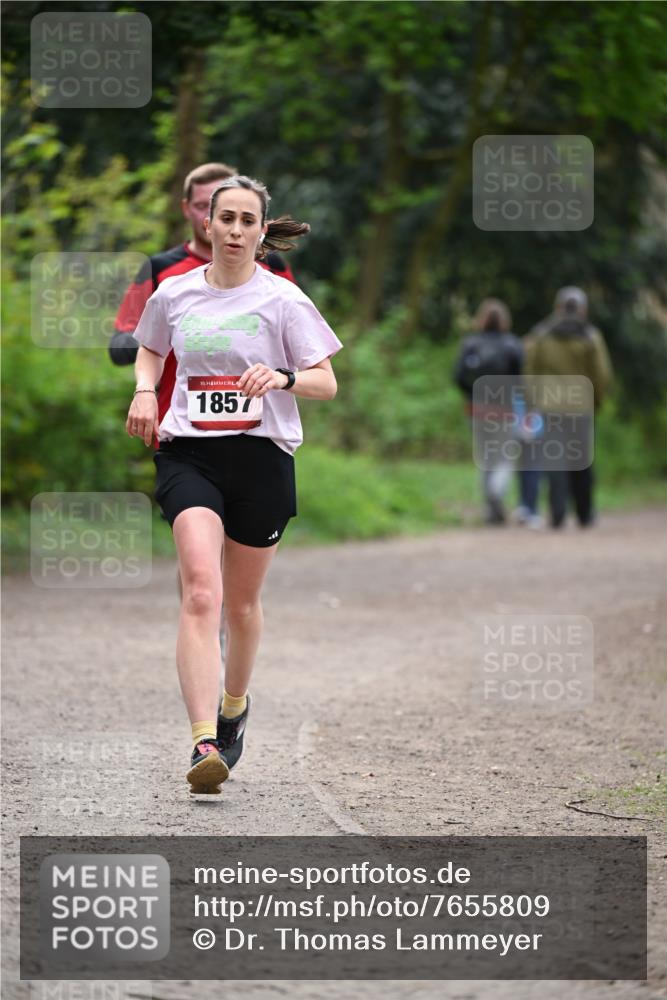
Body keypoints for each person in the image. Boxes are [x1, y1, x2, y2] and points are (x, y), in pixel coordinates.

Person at [125, 175, 342, 793]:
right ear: (209, 224)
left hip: (261, 457)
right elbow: (150, 350)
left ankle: (234, 705)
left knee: (243, 606)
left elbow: (325, 381)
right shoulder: (174, 292)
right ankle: (202, 741)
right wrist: (145, 389)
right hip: (189, 452)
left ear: (262, 230)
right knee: (201, 591)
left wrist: (282, 378)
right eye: (227, 219)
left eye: (249, 221)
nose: (236, 231)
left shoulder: (282, 300)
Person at [524, 286, 613, 528]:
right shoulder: (591, 336)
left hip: (550, 405)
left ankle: (558, 513)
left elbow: (530, 370)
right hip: (581, 406)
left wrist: (532, 401)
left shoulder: (541, 335)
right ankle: (584, 514)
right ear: (582, 309)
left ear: (557, 308)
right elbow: (602, 374)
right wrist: (596, 400)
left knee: (555, 459)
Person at [453, 298, 523, 525]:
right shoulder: (513, 345)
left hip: (477, 409)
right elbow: (521, 380)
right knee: (504, 457)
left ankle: (490, 510)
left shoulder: (470, 344)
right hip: (504, 409)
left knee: (485, 458)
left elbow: (458, 377)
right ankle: (495, 493)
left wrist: (471, 394)